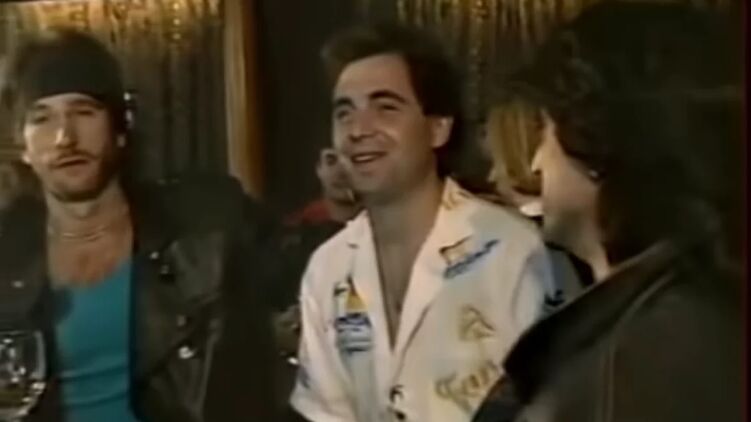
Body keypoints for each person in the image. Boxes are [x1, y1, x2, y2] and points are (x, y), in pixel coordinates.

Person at [474, 2, 743, 421]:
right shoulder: (656, 323)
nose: (537, 163)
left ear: (595, 140)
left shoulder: (642, 361)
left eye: (547, 132)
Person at [0, 28, 276, 421]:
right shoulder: (7, 255)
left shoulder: (204, 229)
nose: (64, 137)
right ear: (24, 147)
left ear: (120, 128)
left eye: (84, 112)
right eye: (42, 118)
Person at [290, 23, 556, 422]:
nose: (358, 130)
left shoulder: (512, 251)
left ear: (438, 128)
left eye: (385, 107)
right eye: (344, 113)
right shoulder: (327, 269)